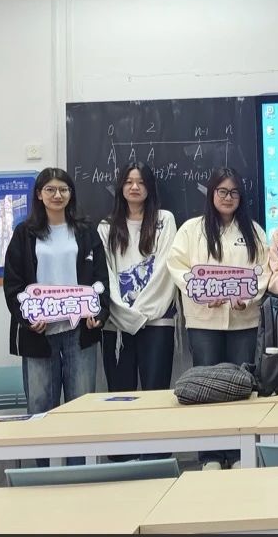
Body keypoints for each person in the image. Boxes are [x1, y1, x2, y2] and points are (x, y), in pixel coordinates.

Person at [168, 167, 270, 470]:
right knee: (205, 389)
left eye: (234, 192)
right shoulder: (191, 229)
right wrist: (200, 292)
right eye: (222, 191)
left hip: (243, 320)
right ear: (212, 194)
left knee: (241, 386)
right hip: (204, 321)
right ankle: (210, 455)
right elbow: (177, 266)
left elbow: (263, 271)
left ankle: (238, 453)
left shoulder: (253, 231)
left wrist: (247, 296)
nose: (228, 197)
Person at [4, 168, 110, 423]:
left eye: (63, 189)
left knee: (81, 408)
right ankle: (40, 453)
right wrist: (27, 318)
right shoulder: (24, 233)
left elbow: (100, 278)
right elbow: (13, 283)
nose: (57, 195)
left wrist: (99, 313)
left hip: (79, 330)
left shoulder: (85, 230)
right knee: (40, 408)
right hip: (39, 332)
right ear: (39, 194)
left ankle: (78, 452)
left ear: (71, 194)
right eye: (50, 190)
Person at [99, 163, 179, 399]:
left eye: (141, 182)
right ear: (120, 187)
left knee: (156, 395)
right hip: (116, 324)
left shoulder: (164, 220)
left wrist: (139, 313)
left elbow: (165, 268)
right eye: (129, 182)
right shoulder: (106, 227)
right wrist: (123, 313)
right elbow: (105, 273)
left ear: (150, 187)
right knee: (120, 397)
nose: (135, 187)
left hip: (156, 321)